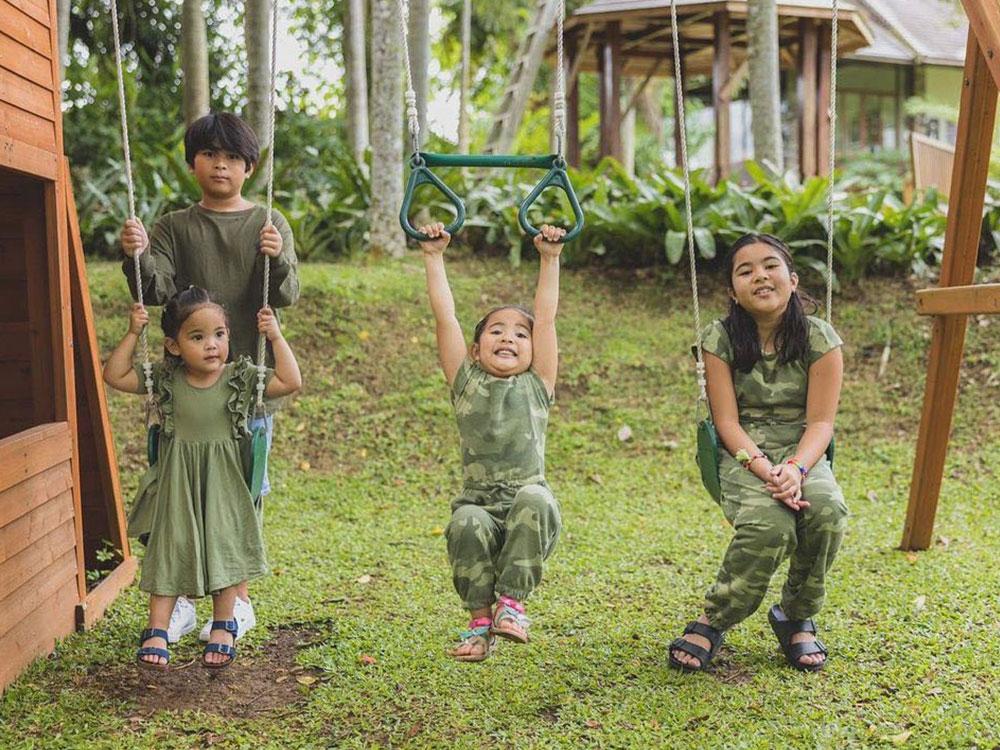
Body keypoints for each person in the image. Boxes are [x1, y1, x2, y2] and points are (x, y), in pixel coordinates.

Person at [119, 112, 299, 641]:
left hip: (247, 388)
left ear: (249, 166)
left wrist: (278, 258)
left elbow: (286, 293)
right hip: (186, 388)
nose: (221, 165)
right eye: (210, 155)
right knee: (172, 488)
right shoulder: (175, 226)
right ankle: (176, 602)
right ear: (193, 162)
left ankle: (236, 601)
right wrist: (135, 254)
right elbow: (154, 289)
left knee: (241, 493)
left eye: (234, 157)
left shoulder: (269, 221)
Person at [669, 233, 848, 673]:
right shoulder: (720, 338)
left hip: (802, 449)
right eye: (745, 271)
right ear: (733, 291)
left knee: (826, 511)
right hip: (743, 454)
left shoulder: (820, 338)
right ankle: (714, 619)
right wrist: (767, 470)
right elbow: (726, 423)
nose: (760, 276)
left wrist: (796, 467)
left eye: (770, 266)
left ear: (792, 278)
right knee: (770, 526)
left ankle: (795, 615)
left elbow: (821, 423)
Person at [103, 287, 301, 670]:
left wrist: (274, 335)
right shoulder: (167, 379)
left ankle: (223, 626)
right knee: (171, 547)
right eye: (198, 337)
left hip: (223, 483)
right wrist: (132, 333)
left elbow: (290, 381)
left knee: (222, 548)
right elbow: (115, 375)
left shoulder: (238, 379)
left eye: (219, 335)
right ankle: (157, 628)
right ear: (174, 346)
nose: (212, 345)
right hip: (179, 483)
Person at [418, 221, 565, 662]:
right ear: (477, 349)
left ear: (533, 348)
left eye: (521, 333)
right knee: (465, 524)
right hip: (478, 505)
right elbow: (446, 317)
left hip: (528, 510)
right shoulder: (466, 383)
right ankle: (480, 625)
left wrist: (550, 259)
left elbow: (548, 317)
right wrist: (433, 256)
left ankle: (513, 608)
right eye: (496, 330)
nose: (509, 337)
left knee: (535, 498)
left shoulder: (539, 384)